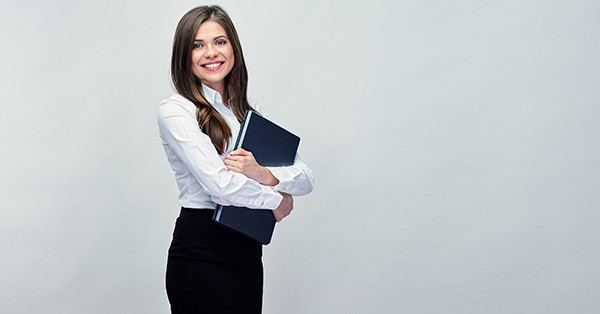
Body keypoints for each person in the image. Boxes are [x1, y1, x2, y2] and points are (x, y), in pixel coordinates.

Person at [157, 5, 314, 314]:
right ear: (184, 56)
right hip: (201, 251)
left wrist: (263, 174)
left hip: (246, 249)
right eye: (197, 45)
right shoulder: (177, 111)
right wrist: (276, 200)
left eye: (220, 41)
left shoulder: (247, 111)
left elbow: (306, 177)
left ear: (233, 48)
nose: (210, 53)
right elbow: (221, 187)